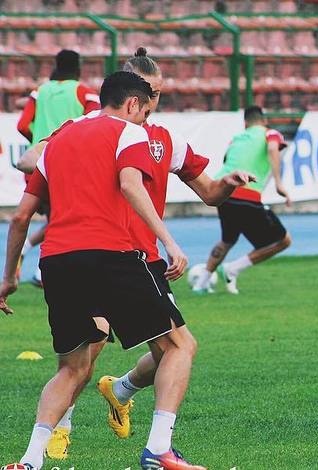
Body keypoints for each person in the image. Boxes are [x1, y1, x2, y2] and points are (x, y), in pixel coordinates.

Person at [16, 48, 253, 466]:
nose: (151, 102)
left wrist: (228, 184)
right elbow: (32, 160)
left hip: (137, 260)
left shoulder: (165, 140)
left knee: (161, 353)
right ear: (127, 92)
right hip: (115, 256)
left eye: (157, 94)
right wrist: (47, 150)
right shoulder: (90, 129)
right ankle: (77, 429)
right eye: (146, 93)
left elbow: (211, 193)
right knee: (97, 353)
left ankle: (119, 391)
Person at [0, 71, 203, 470]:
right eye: (144, 111)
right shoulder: (129, 133)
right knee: (179, 346)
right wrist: (169, 241)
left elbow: (21, 217)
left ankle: (29, 460)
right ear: (132, 104)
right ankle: (159, 449)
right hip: (111, 256)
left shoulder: (57, 142)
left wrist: (8, 278)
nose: (145, 120)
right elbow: (130, 185)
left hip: (57, 263)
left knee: (72, 368)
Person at [15, 49, 100, 287]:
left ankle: (25, 249)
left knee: (55, 217)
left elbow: (22, 125)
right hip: (67, 166)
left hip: (36, 165)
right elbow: (94, 123)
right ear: (78, 68)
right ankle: (42, 272)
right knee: (67, 219)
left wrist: (38, 142)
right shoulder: (83, 92)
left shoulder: (39, 92)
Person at [193, 105, 292, 295]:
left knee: (227, 240)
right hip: (246, 194)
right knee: (283, 240)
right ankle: (233, 269)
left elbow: (226, 161)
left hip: (223, 192)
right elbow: (273, 148)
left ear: (245, 124)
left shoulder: (236, 139)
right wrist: (278, 183)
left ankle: (201, 284)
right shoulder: (270, 133)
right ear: (264, 121)